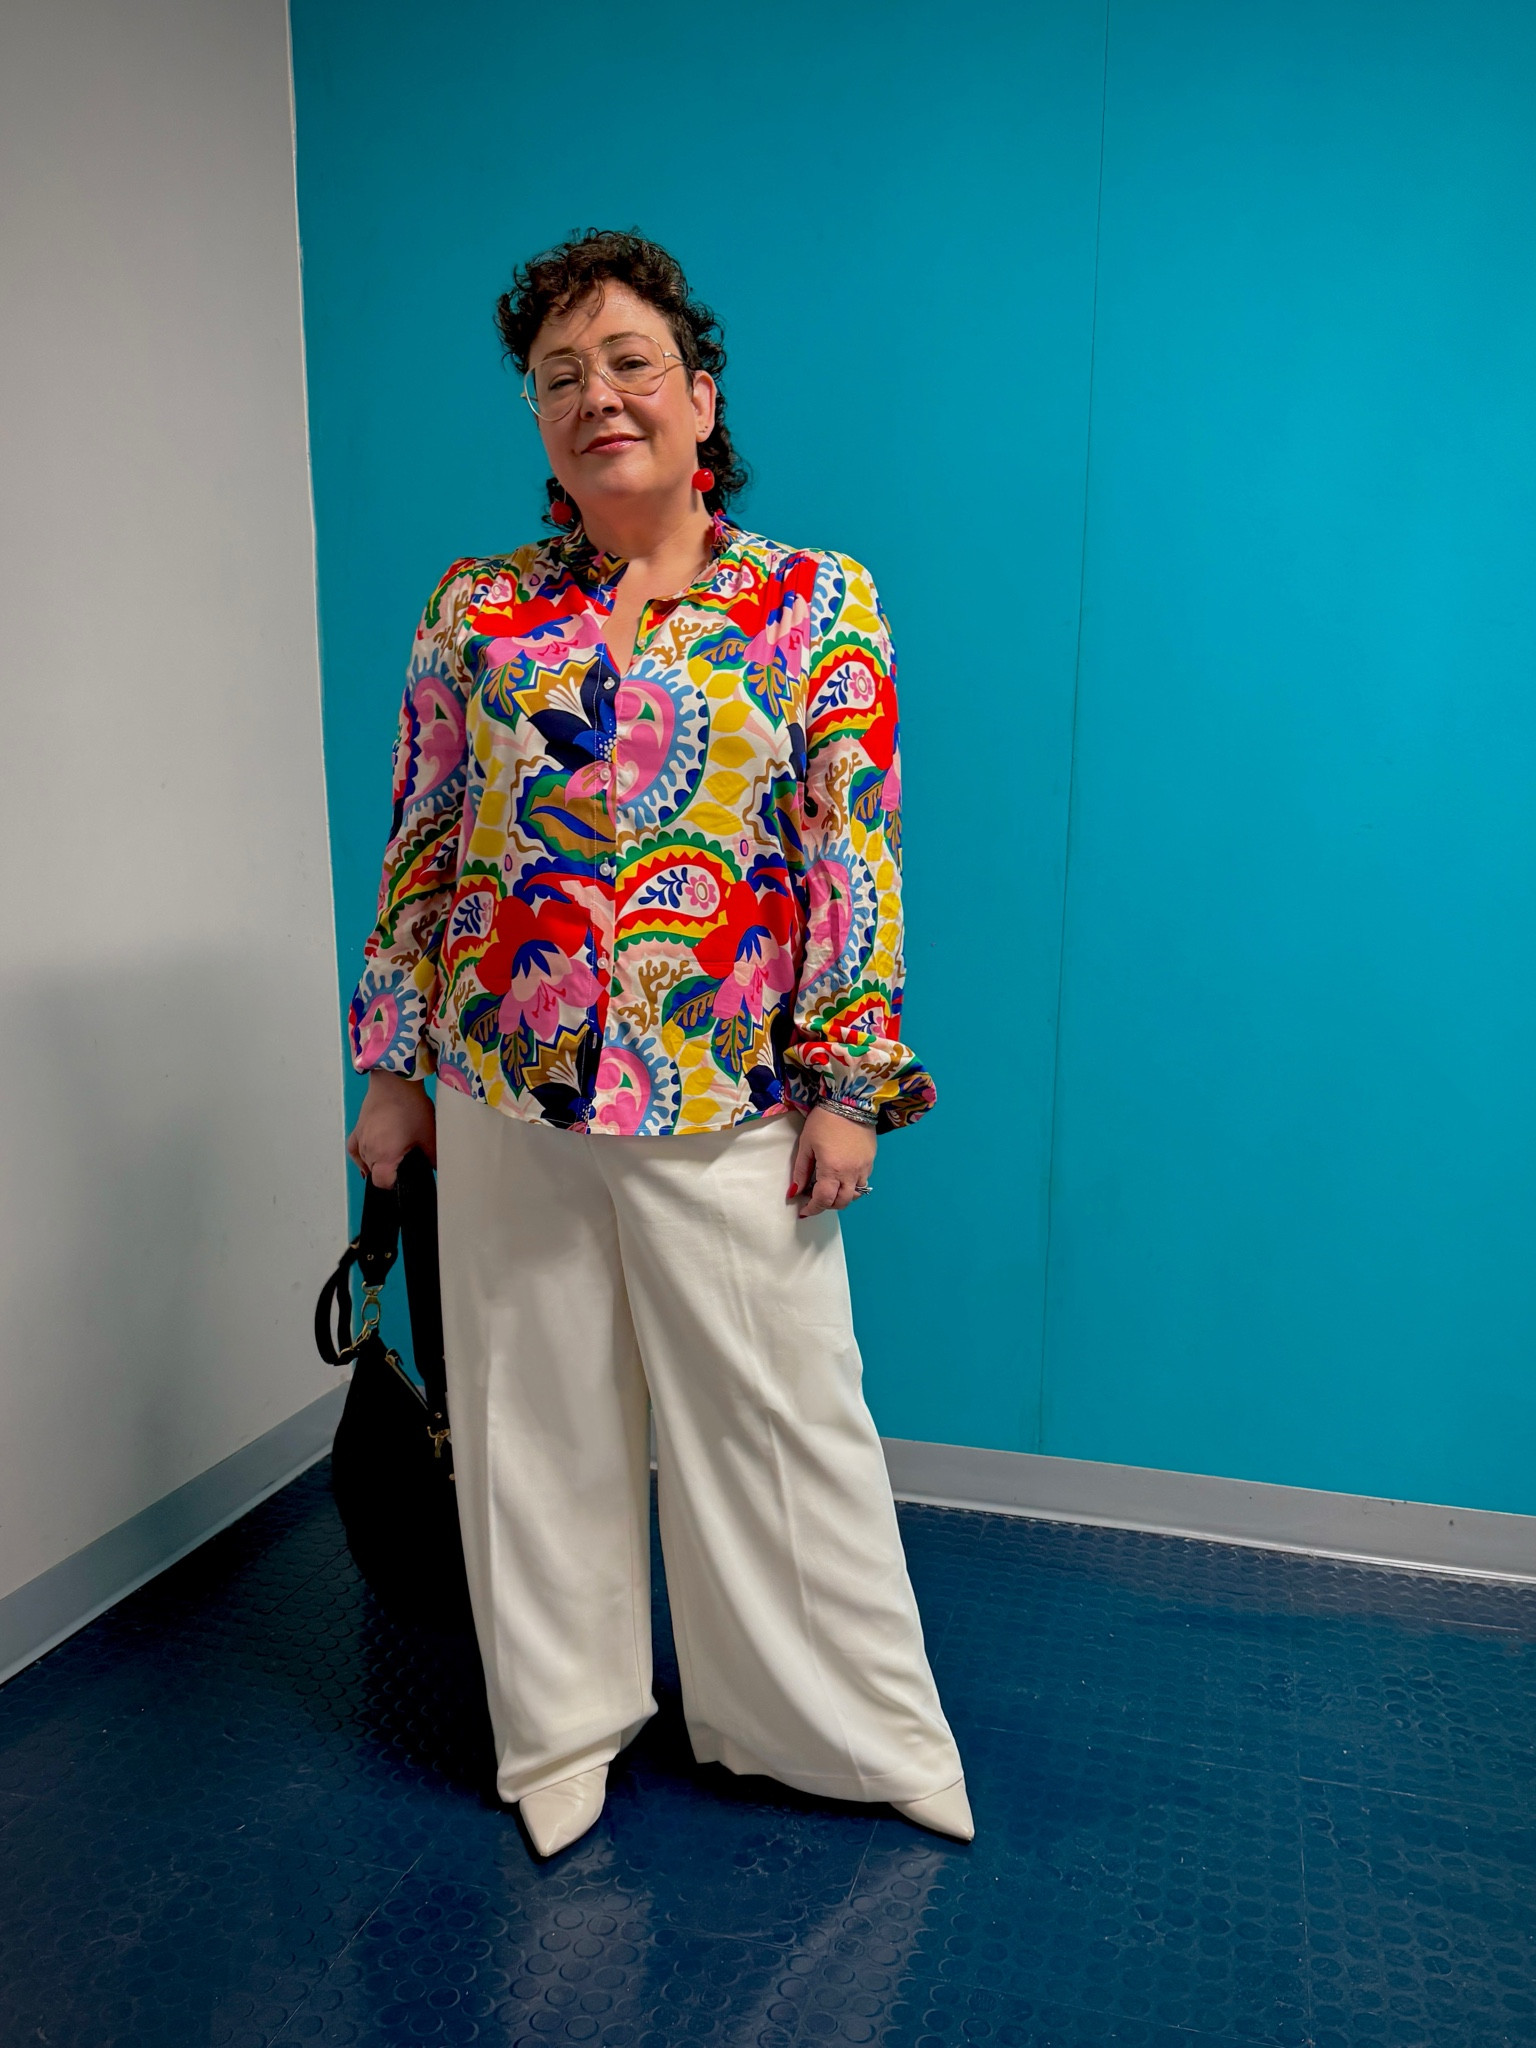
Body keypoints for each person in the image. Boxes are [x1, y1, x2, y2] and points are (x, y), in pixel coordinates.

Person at [345, 229, 971, 1858]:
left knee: (780, 1423)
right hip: (506, 1092)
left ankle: (839, 1735)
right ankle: (560, 1732)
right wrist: (393, 1068)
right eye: (559, 377)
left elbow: (854, 849)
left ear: (701, 396)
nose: (594, 396)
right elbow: (423, 839)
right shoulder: (473, 609)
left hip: (729, 1095)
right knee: (530, 1419)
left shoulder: (812, 601)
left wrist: (848, 1087)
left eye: (628, 364)